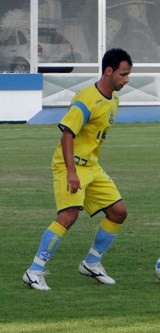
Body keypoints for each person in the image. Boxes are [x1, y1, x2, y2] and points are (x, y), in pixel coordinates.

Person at [23, 48, 133, 291]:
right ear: (108, 71)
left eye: (128, 75)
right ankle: (34, 271)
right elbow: (67, 135)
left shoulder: (114, 99)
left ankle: (92, 263)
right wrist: (72, 172)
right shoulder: (86, 99)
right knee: (69, 215)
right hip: (69, 165)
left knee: (118, 212)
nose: (126, 80)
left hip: (92, 167)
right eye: (123, 74)